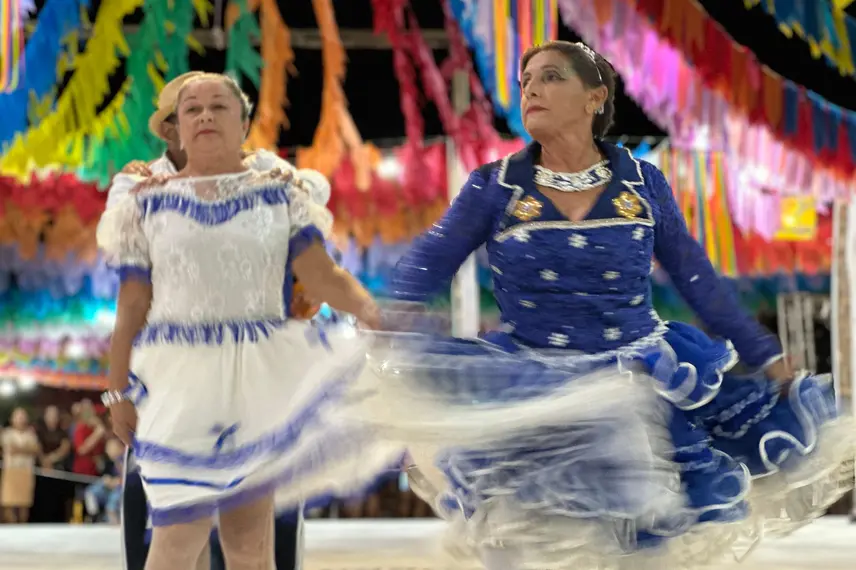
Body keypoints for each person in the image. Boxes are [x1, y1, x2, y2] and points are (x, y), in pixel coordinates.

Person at [353, 41, 856, 569]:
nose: (530, 90)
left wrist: (762, 353)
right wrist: (387, 316)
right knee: (538, 548)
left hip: (642, 386)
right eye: (525, 82)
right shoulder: (494, 187)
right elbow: (426, 262)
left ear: (594, 97)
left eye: (549, 78)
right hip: (535, 394)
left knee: (642, 547)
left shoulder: (643, 183)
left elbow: (696, 278)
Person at [96, 72, 402, 570]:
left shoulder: (282, 192)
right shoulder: (144, 199)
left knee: (249, 545)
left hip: (260, 378)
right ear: (176, 127)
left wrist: (372, 312)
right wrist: (115, 390)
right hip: (178, 383)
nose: (205, 116)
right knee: (176, 537)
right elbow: (131, 304)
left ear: (244, 122)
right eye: (191, 109)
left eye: (218, 106)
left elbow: (322, 277)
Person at [32, 405, 73, 522]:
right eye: (50, 415)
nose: (53, 418)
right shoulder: (39, 430)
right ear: (45, 416)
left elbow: (65, 448)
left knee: (58, 496)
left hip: (58, 467)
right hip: (41, 468)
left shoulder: (62, 432)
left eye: (55, 415)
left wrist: (51, 459)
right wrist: (44, 460)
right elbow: (37, 447)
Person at [1, 408, 40, 523]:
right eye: (18, 417)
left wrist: (21, 449)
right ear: (12, 419)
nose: (21, 420)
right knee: (8, 501)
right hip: (11, 470)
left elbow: (35, 449)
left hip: (26, 470)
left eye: (23, 417)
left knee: (25, 502)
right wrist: (26, 449)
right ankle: (11, 525)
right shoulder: (7, 433)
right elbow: (10, 448)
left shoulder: (31, 434)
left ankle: (23, 526)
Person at [83, 438, 125, 523]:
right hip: (109, 485)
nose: (109, 451)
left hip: (121, 486)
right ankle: (94, 515)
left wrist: (117, 481)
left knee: (113, 501)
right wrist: (107, 480)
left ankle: (113, 517)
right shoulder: (109, 462)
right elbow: (105, 474)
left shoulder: (125, 460)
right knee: (91, 492)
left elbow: (129, 478)